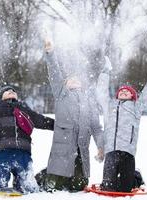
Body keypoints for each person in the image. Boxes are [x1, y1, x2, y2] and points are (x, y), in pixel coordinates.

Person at [35, 39, 104, 192]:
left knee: (78, 186)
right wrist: (50, 54)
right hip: (63, 148)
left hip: (81, 150)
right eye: (70, 79)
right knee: (54, 186)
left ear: (82, 84)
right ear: (65, 84)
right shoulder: (62, 94)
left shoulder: (89, 101)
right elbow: (54, 72)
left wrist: (101, 146)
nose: (73, 80)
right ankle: (41, 177)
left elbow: (97, 128)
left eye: (76, 79)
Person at [97, 52, 147, 192]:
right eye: (121, 91)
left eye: (127, 92)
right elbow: (101, 91)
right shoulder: (109, 105)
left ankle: (136, 175)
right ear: (117, 95)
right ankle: (111, 180)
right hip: (111, 150)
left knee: (125, 188)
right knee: (108, 187)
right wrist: (105, 72)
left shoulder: (136, 107)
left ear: (133, 96)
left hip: (127, 151)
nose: (123, 92)